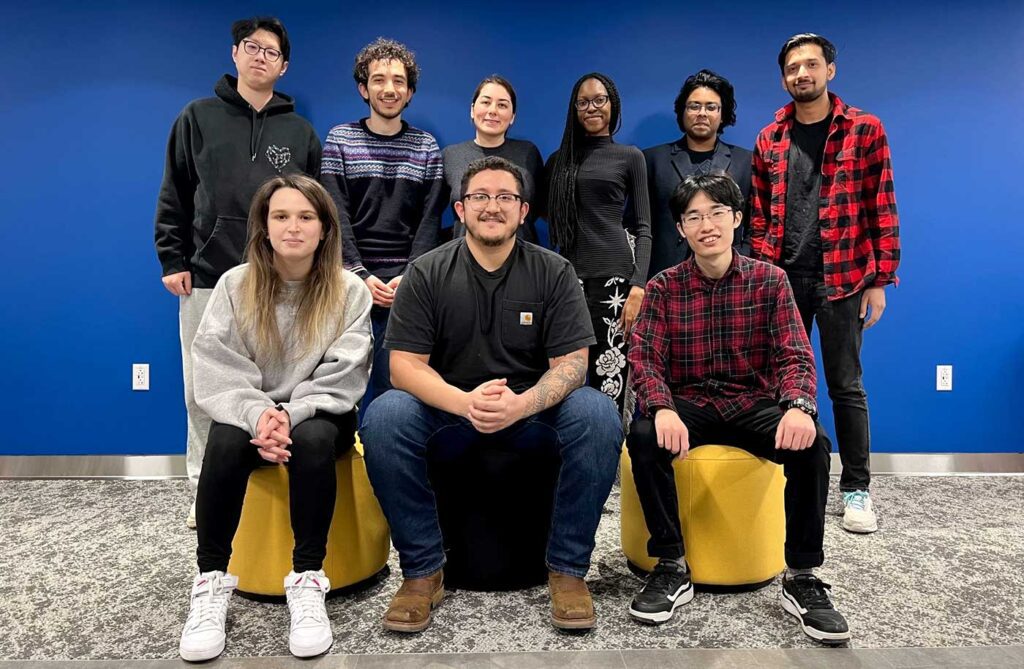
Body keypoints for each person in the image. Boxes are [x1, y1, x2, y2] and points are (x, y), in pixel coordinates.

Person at [360, 156, 623, 633]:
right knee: (384, 415)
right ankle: (422, 572)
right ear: (460, 208)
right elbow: (403, 367)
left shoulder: (554, 271)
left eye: (506, 197)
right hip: (449, 409)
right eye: (481, 197)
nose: (493, 206)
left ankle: (567, 571)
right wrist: (465, 403)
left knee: (598, 412)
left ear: (524, 212)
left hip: (531, 411)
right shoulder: (426, 271)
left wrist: (521, 405)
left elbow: (572, 367)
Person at [626, 173, 850, 644]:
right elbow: (645, 356)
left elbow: (794, 353)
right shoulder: (665, 287)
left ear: (737, 219)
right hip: (690, 404)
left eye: (716, 213)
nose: (706, 225)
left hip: (752, 403)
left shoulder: (770, 281)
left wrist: (799, 406)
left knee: (813, 444)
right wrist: (661, 407)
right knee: (644, 435)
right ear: (682, 229)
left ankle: (803, 575)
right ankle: (670, 564)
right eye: (693, 217)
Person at [178, 175, 372, 661]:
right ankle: (211, 580)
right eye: (281, 216)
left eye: (306, 217)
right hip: (250, 413)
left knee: (311, 441)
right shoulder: (234, 285)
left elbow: (345, 373)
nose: (293, 227)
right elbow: (217, 365)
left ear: (325, 229)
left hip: (320, 413)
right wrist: (260, 414)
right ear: (263, 226)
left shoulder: (350, 290)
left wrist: (289, 413)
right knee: (221, 444)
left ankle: (307, 579)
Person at [153, 16, 322, 528]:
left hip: (282, 281)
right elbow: (175, 190)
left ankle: (269, 479)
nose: (260, 56)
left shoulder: (299, 131)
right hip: (206, 273)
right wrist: (172, 257)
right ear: (235, 54)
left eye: (271, 52)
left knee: (277, 385)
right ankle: (205, 488)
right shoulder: (197, 117)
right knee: (203, 387)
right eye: (251, 47)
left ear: (283, 65)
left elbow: (313, 209)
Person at [750, 33, 901, 533]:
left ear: (830, 70)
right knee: (775, 385)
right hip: (782, 279)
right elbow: (756, 214)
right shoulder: (769, 138)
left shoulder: (864, 129)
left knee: (845, 386)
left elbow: (882, 206)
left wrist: (879, 279)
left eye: (811, 65)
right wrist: (759, 275)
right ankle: (778, 479)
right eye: (793, 68)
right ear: (784, 77)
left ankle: (856, 490)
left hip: (844, 277)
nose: (802, 75)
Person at [320, 37, 444, 420]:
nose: (389, 88)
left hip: (408, 283)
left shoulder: (426, 146)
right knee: (343, 380)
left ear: (409, 92)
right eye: (378, 80)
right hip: (348, 282)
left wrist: (411, 275)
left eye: (398, 81)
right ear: (363, 88)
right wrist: (358, 274)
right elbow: (334, 214)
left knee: (398, 381)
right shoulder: (339, 140)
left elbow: (430, 220)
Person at [546, 72, 651, 420]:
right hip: (569, 283)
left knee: (612, 381)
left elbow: (644, 227)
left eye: (599, 100)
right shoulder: (558, 161)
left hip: (616, 284)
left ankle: (611, 473)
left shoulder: (630, 157)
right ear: (574, 109)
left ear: (613, 104)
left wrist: (638, 286)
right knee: (567, 380)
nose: (591, 108)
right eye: (583, 102)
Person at [641, 69, 752, 278]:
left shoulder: (746, 162)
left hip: (729, 276)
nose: (702, 113)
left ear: (722, 115)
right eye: (694, 106)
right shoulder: (651, 160)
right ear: (682, 112)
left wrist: (739, 258)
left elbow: (757, 225)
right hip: (665, 275)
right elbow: (637, 224)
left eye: (711, 107)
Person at [442, 74, 546, 245]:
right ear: (472, 109)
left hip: (523, 260)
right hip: (466, 261)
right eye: (485, 102)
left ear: (512, 116)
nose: (493, 110)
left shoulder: (529, 153)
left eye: (502, 105)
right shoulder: (451, 155)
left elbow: (538, 208)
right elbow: (431, 214)